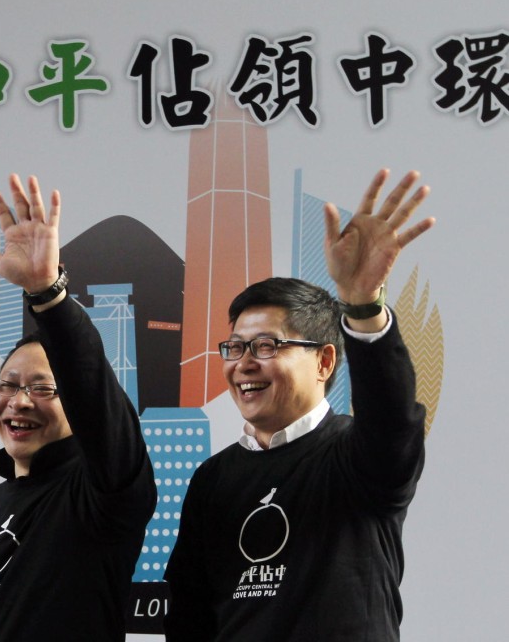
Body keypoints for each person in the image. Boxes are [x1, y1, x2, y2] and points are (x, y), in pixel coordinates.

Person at [162, 169, 436, 641]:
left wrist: (363, 304)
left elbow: (391, 417)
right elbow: (189, 616)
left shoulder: (358, 453)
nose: (244, 364)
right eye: (235, 347)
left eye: (267, 346)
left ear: (324, 360)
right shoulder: (213, 479)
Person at [0, 174, 157, 641]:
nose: (19, 401)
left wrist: (47, 294)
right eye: (7, 385)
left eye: (43, 389)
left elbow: (88, 382)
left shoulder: (102, 492)